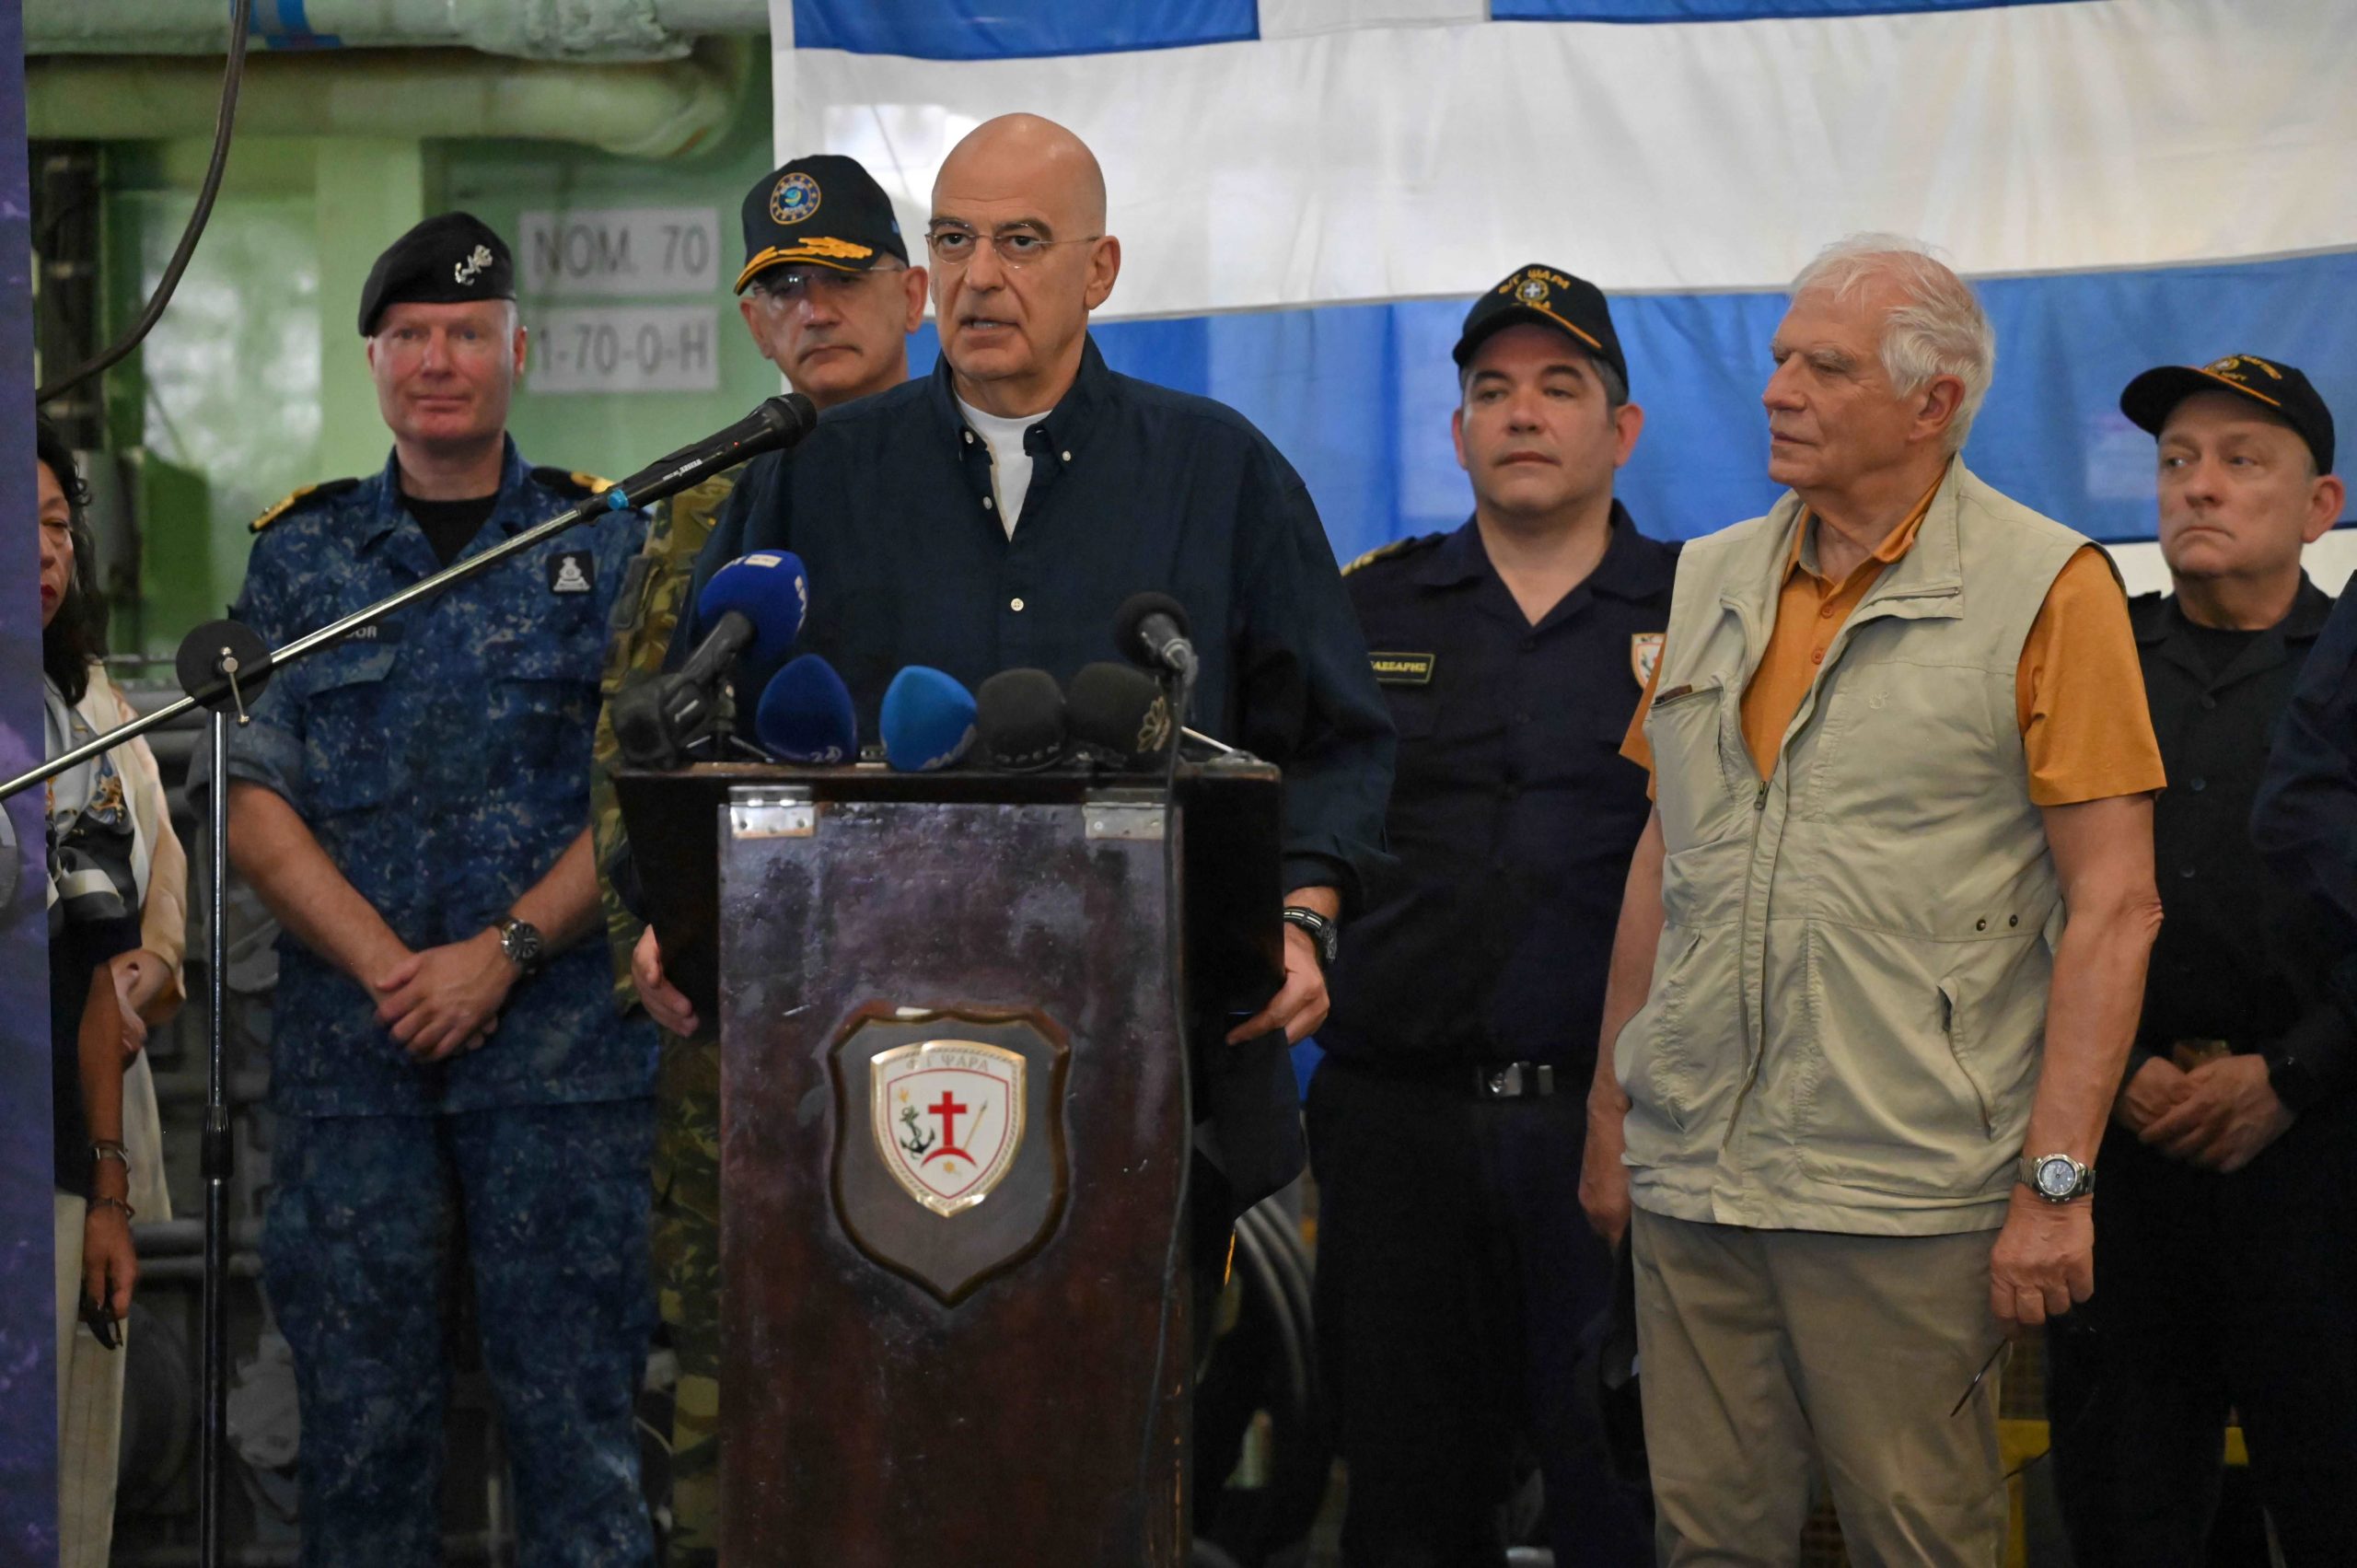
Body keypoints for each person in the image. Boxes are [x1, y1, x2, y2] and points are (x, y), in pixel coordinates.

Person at [1581, 235, 2167, 1565]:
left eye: (1823, 366)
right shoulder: (1710, 575)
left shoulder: (2049, 588)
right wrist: (1614, 1108)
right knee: (1707, 1538)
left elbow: (2116, 907)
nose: (1779, 387)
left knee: (1922, 1536)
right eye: (1781, 357)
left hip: (1904, 1191)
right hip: (1696, 1178)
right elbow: (1665, 855)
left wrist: (2058, 1182)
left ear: (1932, 401)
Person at [633, 112, 1392, 1095]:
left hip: (1156, 1043)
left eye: (1021, 241)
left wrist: (1303, 914)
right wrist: (681, 908)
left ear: (1100, 269)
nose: (979, 275)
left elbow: (1339, 737)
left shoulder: (1218, 470)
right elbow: (694, 723)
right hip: (852, 1044)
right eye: (953, 239)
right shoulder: (811, 479)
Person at [209, 214, 657, 1567]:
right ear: (373, 362)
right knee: (359, 1444)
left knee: (580, 1440)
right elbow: (252, 795)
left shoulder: (607, 542)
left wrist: (503, 950)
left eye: (467, 333)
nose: (439, 360)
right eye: (410, 337)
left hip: (566, 1063)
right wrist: (393, 969)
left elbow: (639, 788)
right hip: (361, 1066)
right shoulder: (303, 558)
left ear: (518, 349)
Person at [584, 153, 924, 1565]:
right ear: (752, 325)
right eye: (782, 289)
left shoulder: (996, 484)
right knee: (741, 1415)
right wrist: (643, 935)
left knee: (940, 1391)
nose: (814, 310)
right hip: (739, 1044)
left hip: (945, 1009)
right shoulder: (694, 508)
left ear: (911, 293)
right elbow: (628, 755)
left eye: (842, 280)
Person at [1313, 265, 1665, 1567]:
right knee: (1407, 1498)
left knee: (1618, 1489)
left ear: (1620, 430)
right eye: (1492, 390)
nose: (1522, 413)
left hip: (1623, 1130)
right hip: (1398, 1124)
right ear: (1457, 431)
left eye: (1559, 386)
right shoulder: (1363, 611)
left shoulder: (1705, 611)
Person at [2055, 355, 2357, 1563]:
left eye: (2242, 460)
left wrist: (2294, 1071)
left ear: (2321, 504)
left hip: (2323, 1158)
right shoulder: (2094, 662)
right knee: (2125, 1506)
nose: (2200, 487)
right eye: (2177, 461)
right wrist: (2107, 1062)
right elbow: (2017, 892)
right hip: (2121, 1165)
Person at [37, 418, 185, 1568]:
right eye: (15, 527)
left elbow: (150, 900)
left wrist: (160, 963)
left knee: (72, 1479)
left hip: (77, 1136)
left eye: (55, 527)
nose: (42, 552)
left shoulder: (90, 706)